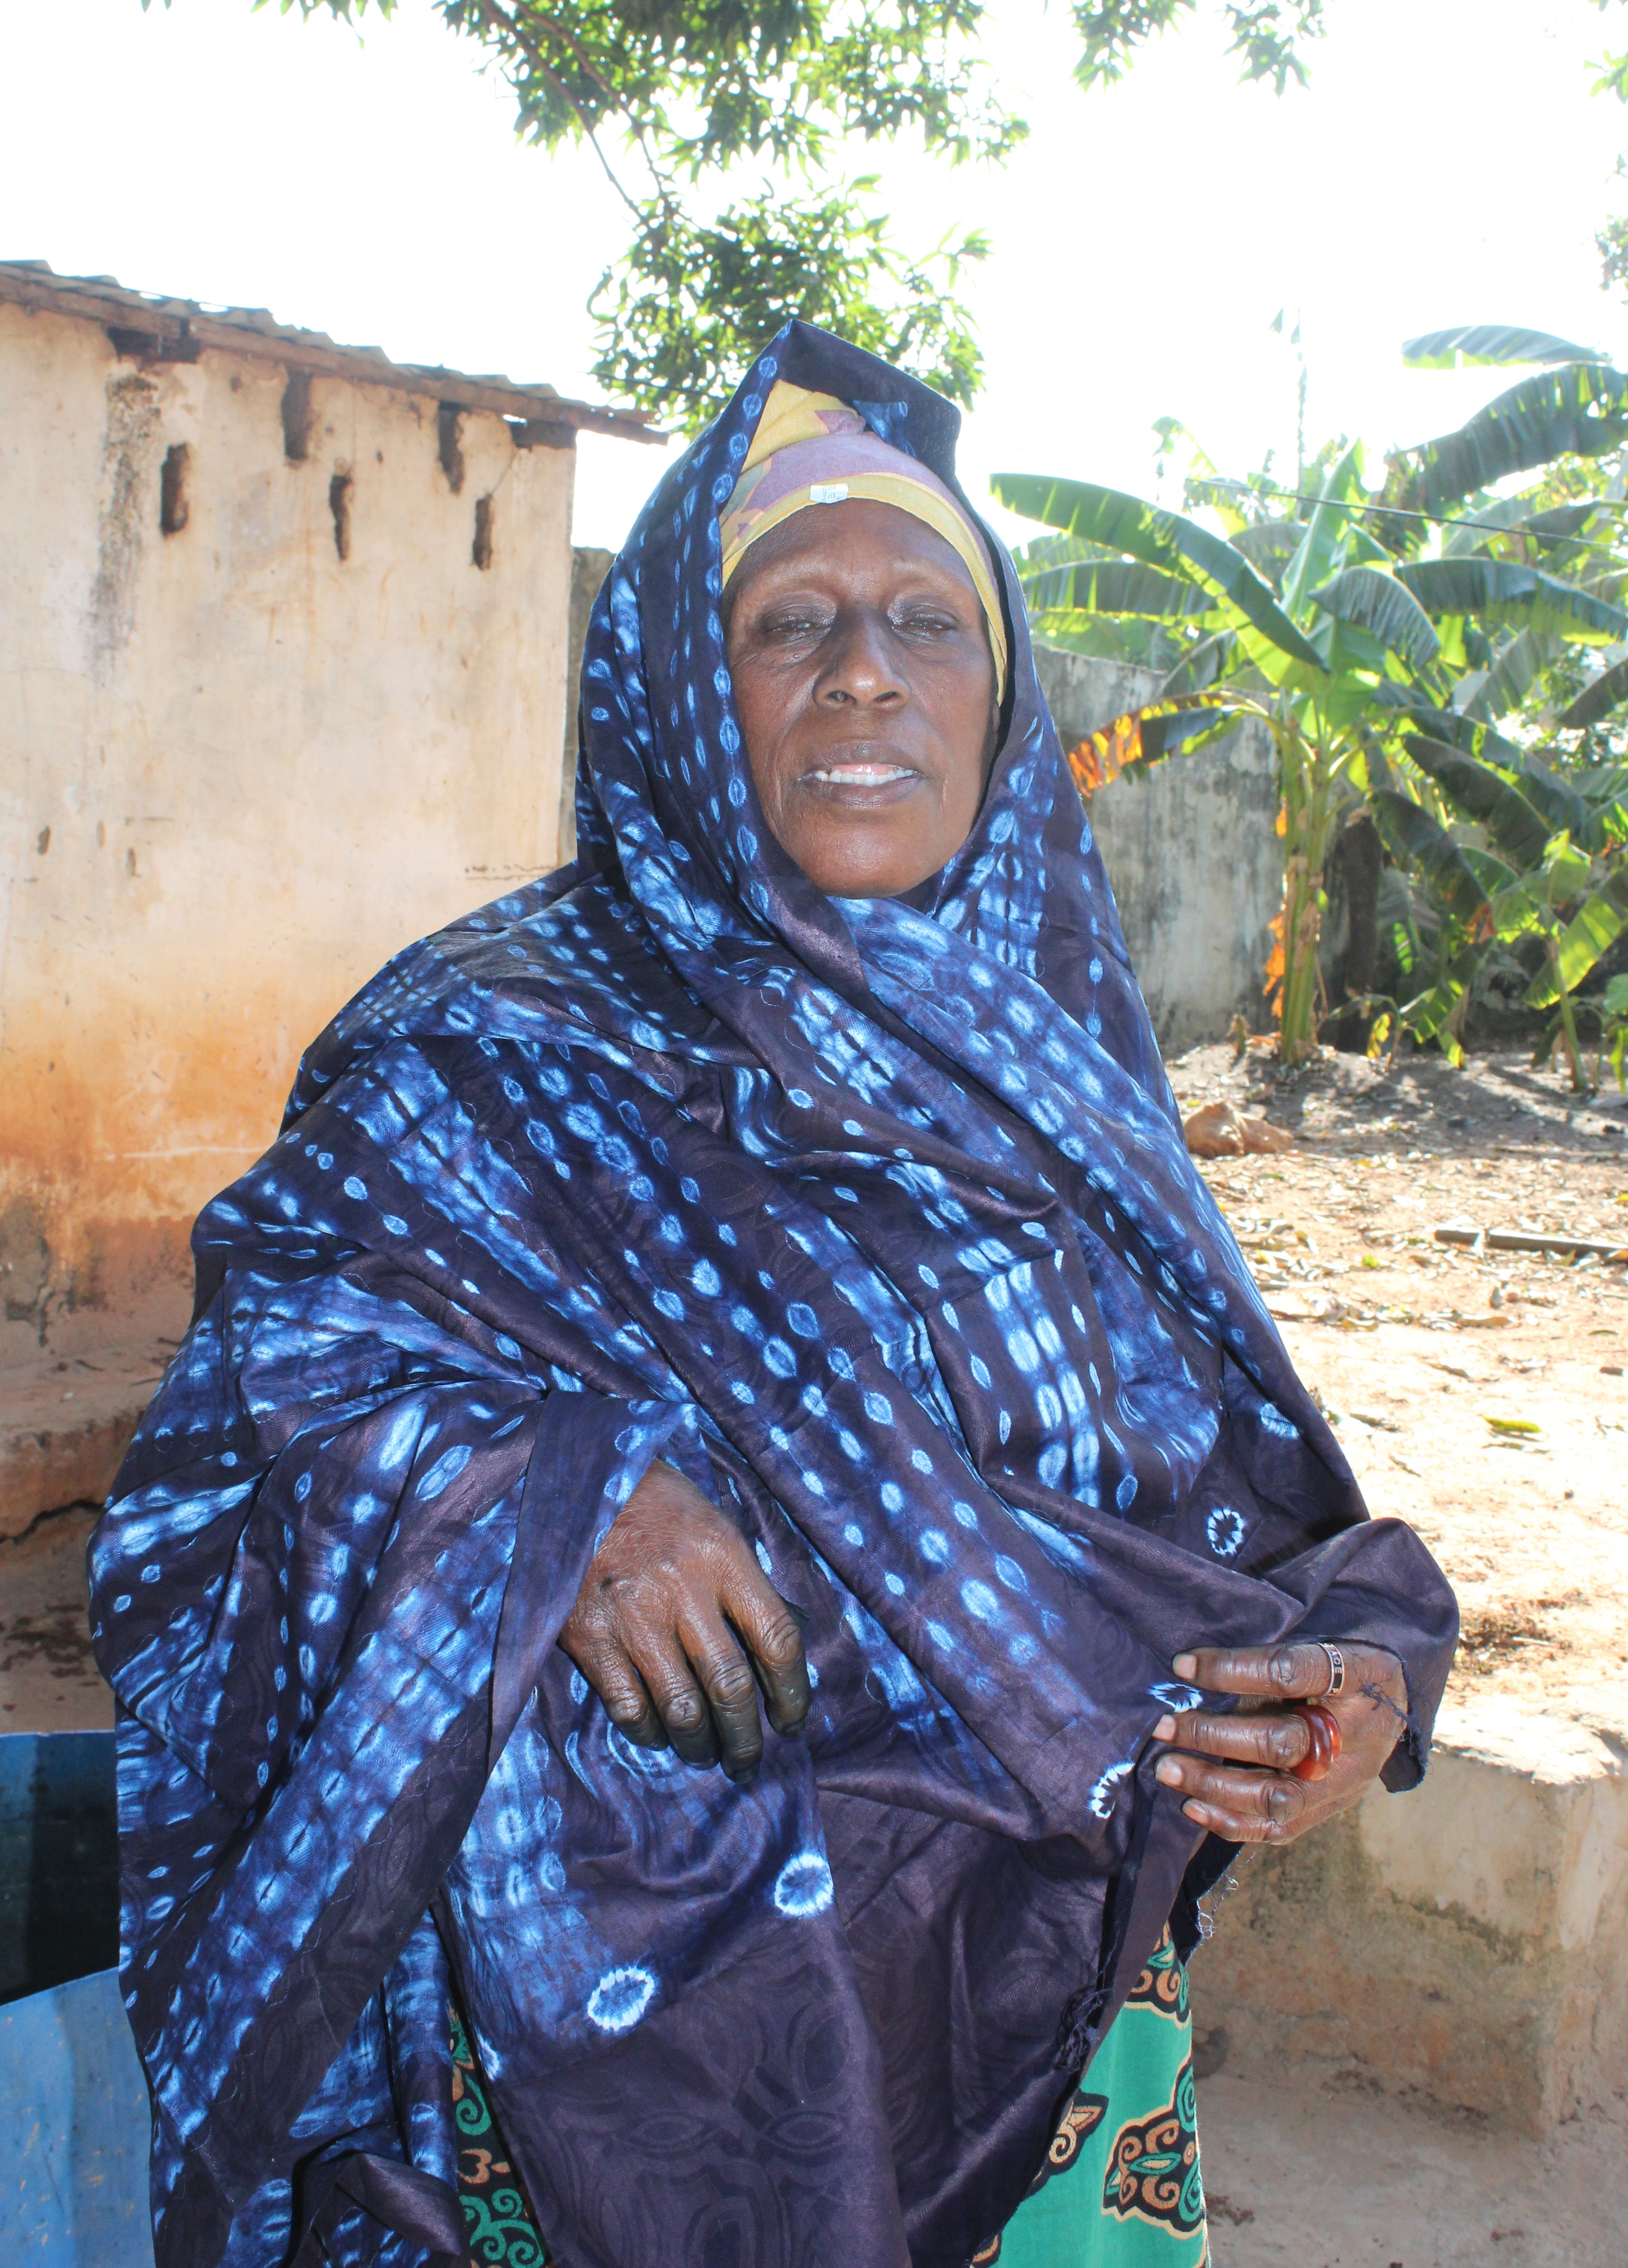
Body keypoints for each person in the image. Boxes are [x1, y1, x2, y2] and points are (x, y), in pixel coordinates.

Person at [90, 326, 1457, 2268]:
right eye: (785, 622)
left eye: (927, 620)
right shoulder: (478, 1046)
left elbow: (1215, 1497)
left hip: (1049, 2001)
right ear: (674, 681)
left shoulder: (1058, 1070)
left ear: (1000, 692)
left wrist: (1345, 1684)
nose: (863, 673)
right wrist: (561, 1504)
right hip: (630, 2039)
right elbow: (265, 1385)